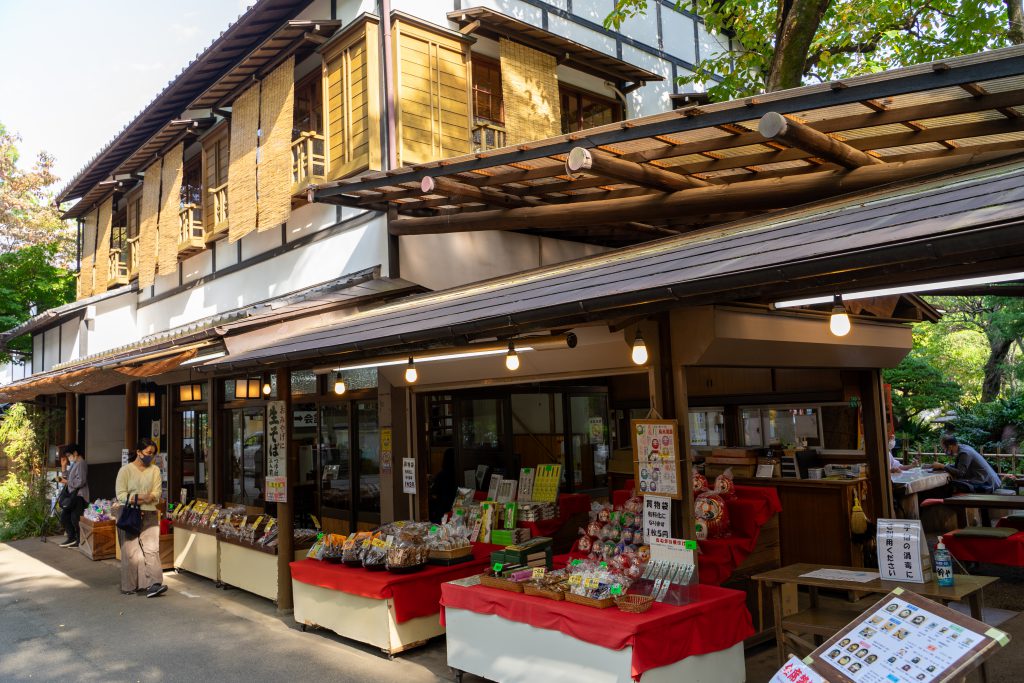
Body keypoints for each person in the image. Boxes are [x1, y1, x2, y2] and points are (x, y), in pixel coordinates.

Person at [115, 439, 167, 598]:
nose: (151, 457)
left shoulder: (155, 470)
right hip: (130, 513)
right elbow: (121, 495)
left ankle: (155, 584)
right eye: (148, 453)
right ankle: (129, 586)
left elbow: (157, 495)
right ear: (138, 452)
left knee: (152, 550)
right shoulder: (125, 471)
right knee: (130, 552)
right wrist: (142, 497)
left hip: (150, 513)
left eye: (153, 453)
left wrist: (140, 498)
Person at [931, 434, 1001, 494]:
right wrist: (944, 466)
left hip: (987, 483)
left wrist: (942, 466)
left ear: (950, 446)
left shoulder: (964, 453)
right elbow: (960, 467)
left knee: (950, 486)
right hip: (988, 480)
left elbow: (960, 473)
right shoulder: (963, 448)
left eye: (944, 449)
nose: (945, 451)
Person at [59, 444, 89, 548]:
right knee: (65, 517)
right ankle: (72, 538)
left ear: (75, 453)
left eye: (69, 455)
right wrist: (63, 467)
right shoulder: (75, 463)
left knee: (74, 518)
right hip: (73, 495)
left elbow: (81, 481)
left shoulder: (81, 463)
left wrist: (66, 481)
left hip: (79, 495)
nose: (68, 457)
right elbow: (68, 477)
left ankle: (78, 540)